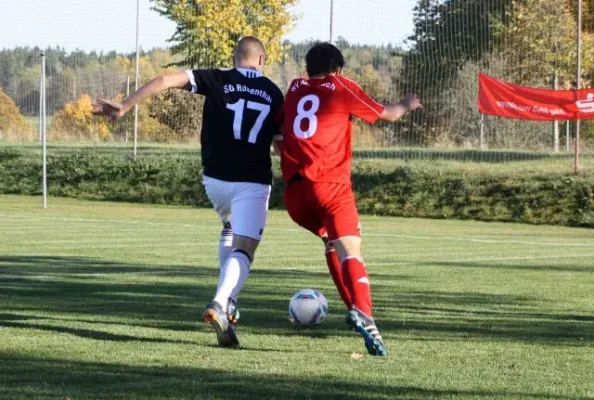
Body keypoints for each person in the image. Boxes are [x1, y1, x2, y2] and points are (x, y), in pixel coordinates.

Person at [92, 37, 284, 348]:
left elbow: (164, 80)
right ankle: (223, 303)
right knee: (245, 247)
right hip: (252, 179)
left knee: (229, 228)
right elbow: (280, 142)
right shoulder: (275, 93)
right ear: (261, 60)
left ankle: (228, 302)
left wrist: (125, 105)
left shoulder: (218, 76)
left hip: (215, 180)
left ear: (236, 58)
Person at [276, 42, 422, 356]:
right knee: (351, 249)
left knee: (331, 241)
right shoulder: (341, 86)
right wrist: (407, 103)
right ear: (338, 68)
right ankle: (364, 312)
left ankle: (353, 307)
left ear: (307, 68)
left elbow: (276, 132)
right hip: (330, 186)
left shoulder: (294, 88)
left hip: (295, 194)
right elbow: (387, 114)